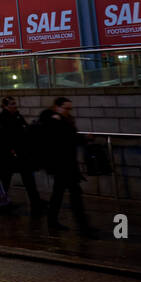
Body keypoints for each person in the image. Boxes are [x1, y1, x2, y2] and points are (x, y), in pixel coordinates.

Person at [40, 97, 92, 235]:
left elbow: (69, 137)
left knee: (59, 193)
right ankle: (83, 226)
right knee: (74, 194)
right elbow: (65, 139)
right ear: (57, 107)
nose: (68, 111)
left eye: (70, 108)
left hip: (66, 164)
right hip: (61, 164)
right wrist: (83, 138)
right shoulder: (53, 120)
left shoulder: (64, 119)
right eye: (66, 108)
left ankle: (53, 221)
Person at [0, 96, 44, 215]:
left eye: (14, 103)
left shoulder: (17, 116)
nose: (15, 105)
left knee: (28, 180)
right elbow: (3, 137)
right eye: (12, 104)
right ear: (6, 106)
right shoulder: (1, 118)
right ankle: (3, 204)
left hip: (21, 153)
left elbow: (24, 130)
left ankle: (35, 202)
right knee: (6, 180)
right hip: (9, 154)